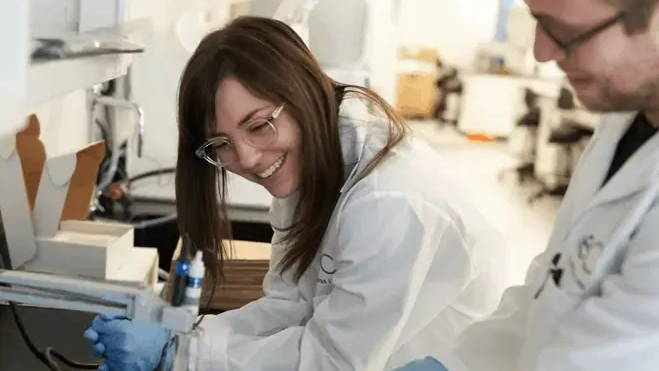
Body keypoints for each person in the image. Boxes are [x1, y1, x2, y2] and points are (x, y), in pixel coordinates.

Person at [83, 16, 505, 371]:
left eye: (258, 124)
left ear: (301, 93)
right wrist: (183, 337)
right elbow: (290, 305)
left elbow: (331, 361)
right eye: (221, 144)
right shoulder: (313, 167)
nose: (246, 158)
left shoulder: (389, 204)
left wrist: (178, 356)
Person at [397, 0, 659, 370]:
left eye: (564, 31)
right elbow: (556, 280)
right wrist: (455, 364)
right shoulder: (622, 118)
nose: (542, 52)